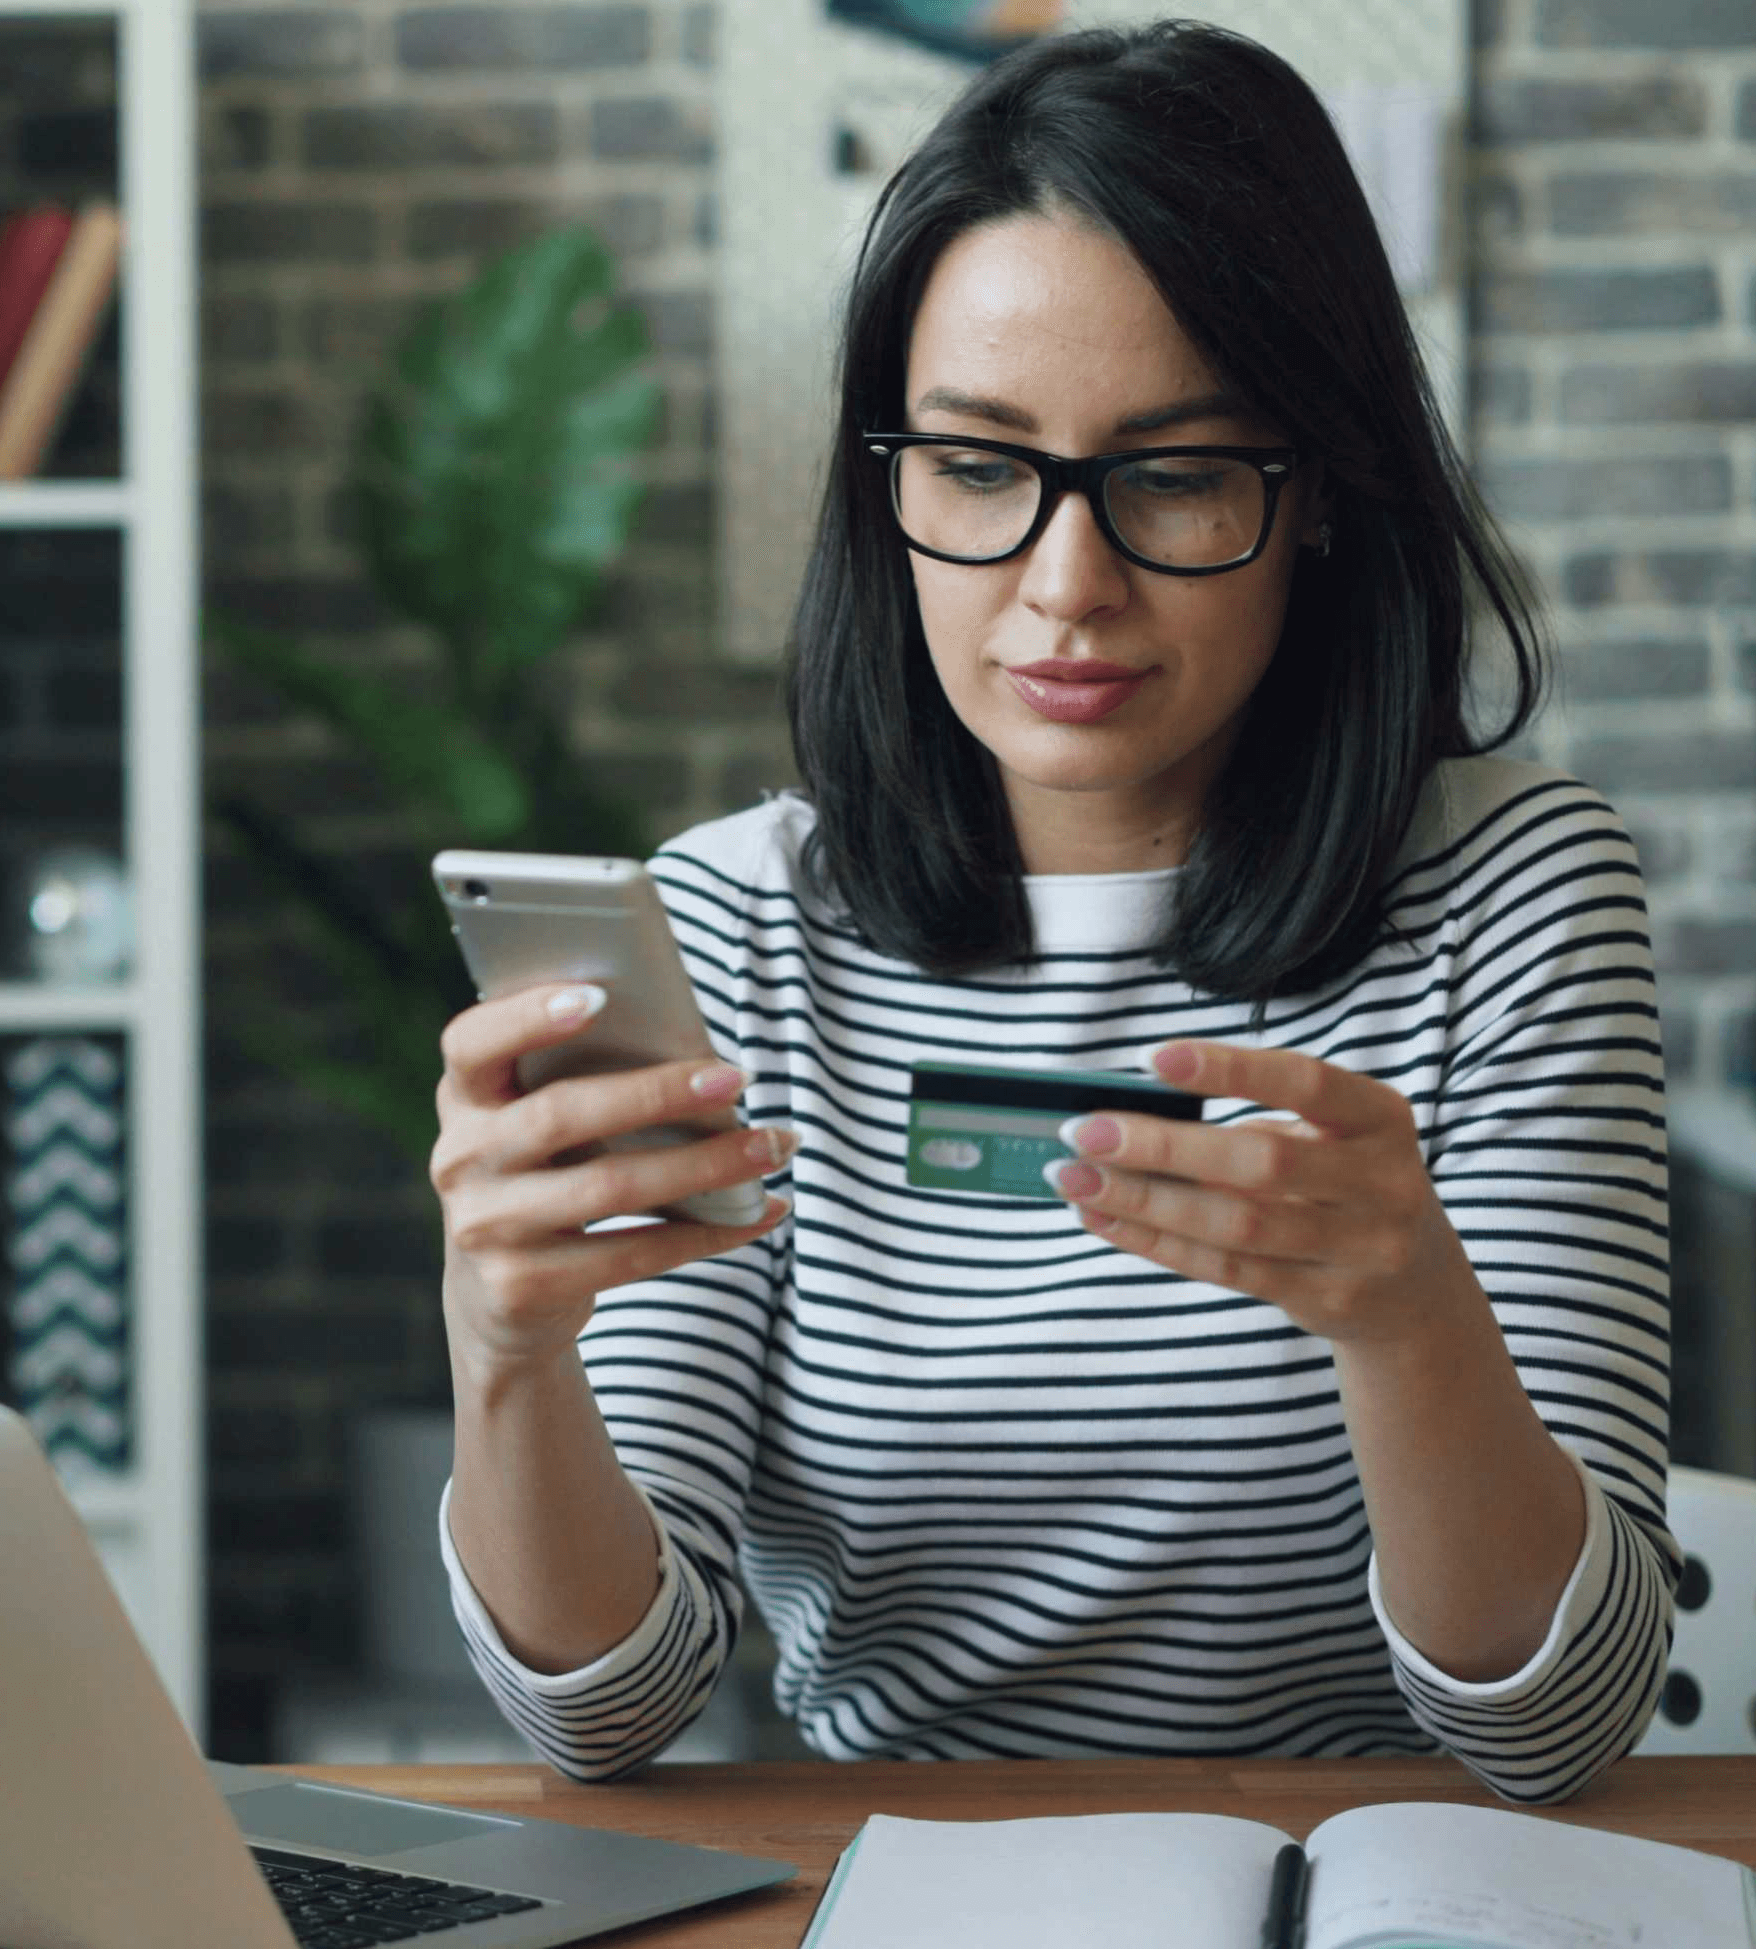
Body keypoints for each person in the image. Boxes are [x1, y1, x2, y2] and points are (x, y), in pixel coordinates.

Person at [426, 20, 1672, 1806]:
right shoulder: (730, 930)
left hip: (1380, 1885)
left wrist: (1408, 1325)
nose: (1063, 586)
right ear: (887, 485)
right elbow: (600, 1719)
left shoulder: (1514, 895)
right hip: (886, 1888)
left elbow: (1559, 1727)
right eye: (979, 469)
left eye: (1171, 474)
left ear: (1311, 490)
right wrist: (505, 1346)